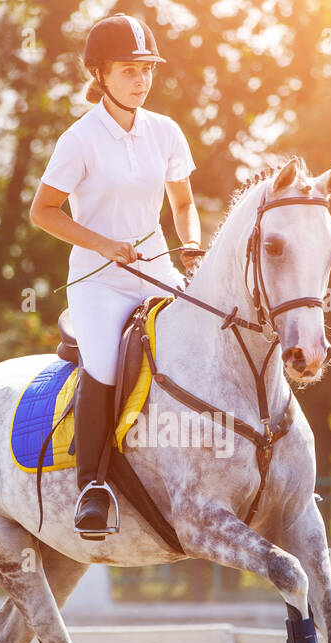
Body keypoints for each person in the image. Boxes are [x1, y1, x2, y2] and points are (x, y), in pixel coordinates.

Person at [28, 13, 201, 538]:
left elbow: (185, 202)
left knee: (205, 340)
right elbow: (43, 212)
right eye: (130, 70)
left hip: (156, 269)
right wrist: (105, 245)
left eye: (147, 69)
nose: (142, 80)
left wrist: (190, 243)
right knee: (103, 362)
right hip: (99, 279)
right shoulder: (79, 140)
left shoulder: (165, 131)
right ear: (100, 74)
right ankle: (92, 486)